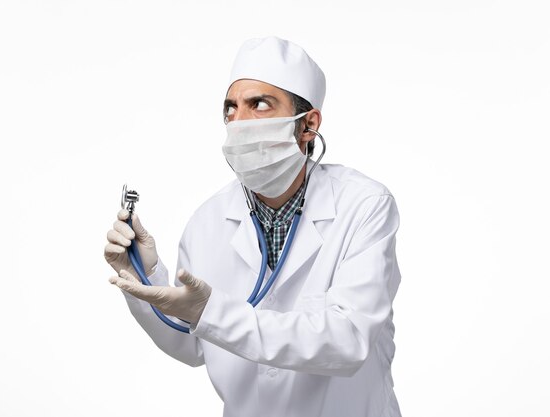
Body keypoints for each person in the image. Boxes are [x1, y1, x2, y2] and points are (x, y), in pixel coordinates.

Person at [105, 36, 402, 417]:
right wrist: (144, 278)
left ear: (308, 125)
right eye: (231, 109)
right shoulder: (207, 222)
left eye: (259, 105)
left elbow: (347, 341)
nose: (239, 122)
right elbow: (194, 344)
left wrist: (212, 311)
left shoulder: (363, 206)